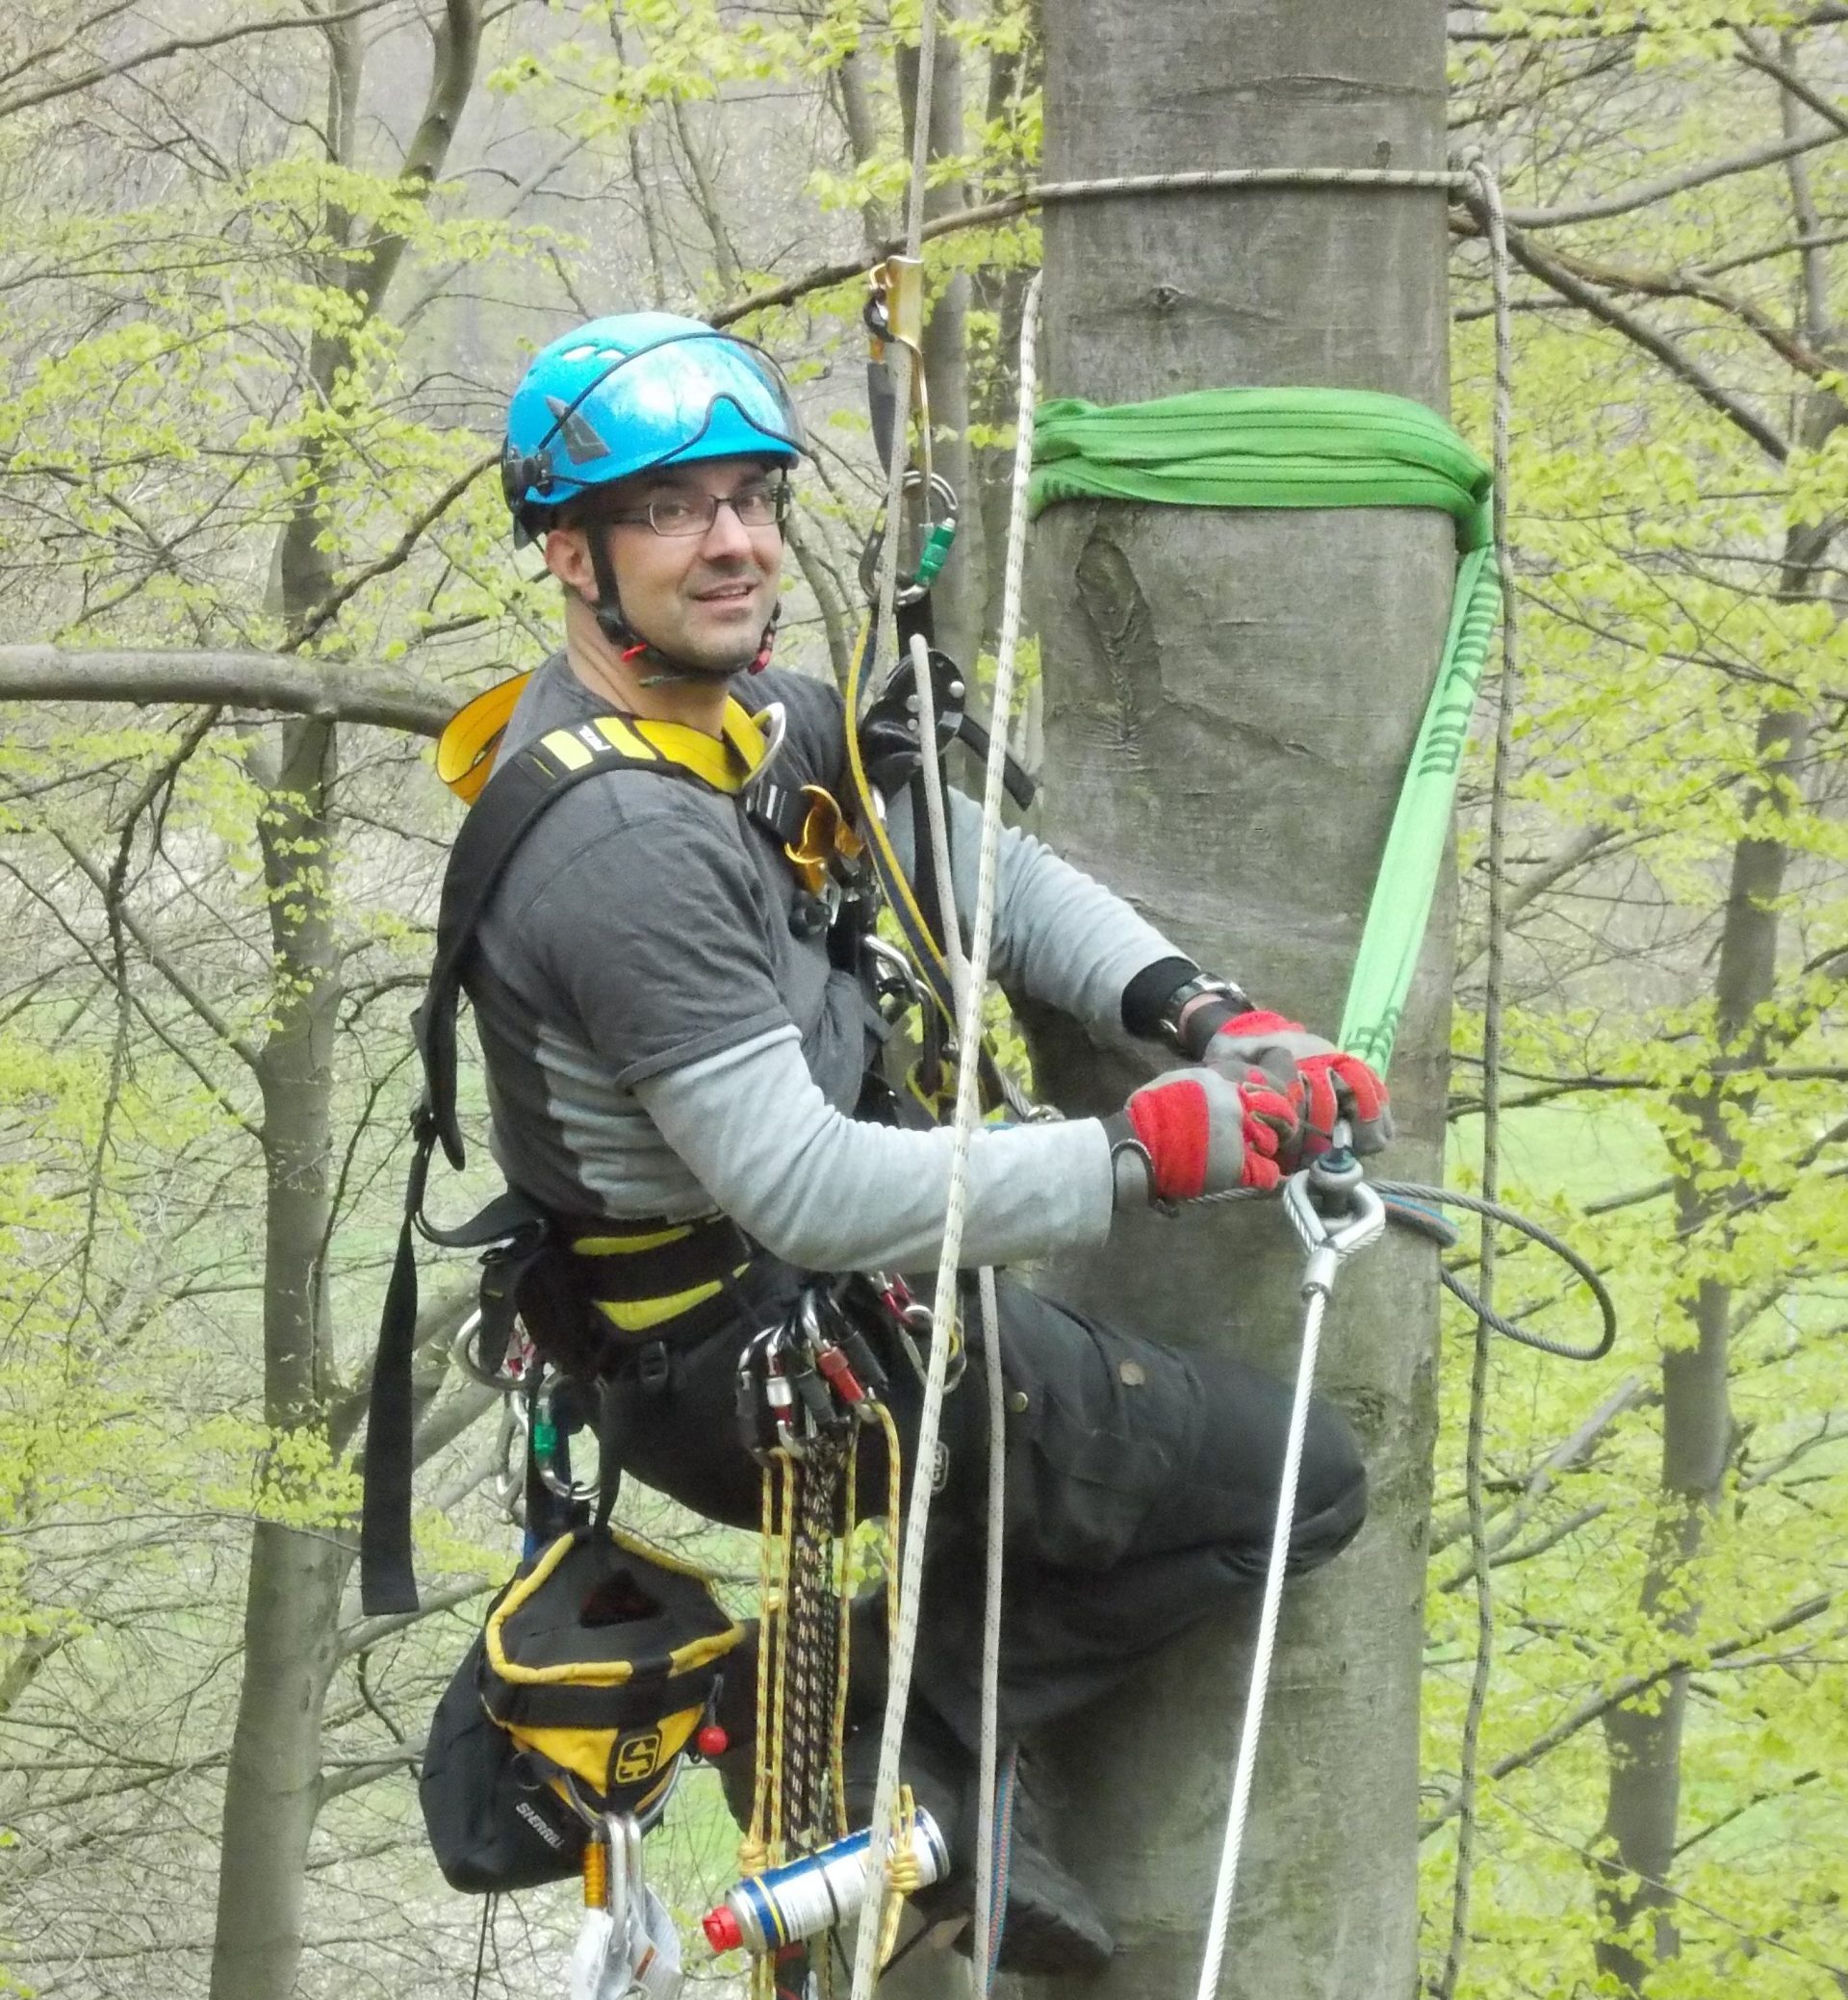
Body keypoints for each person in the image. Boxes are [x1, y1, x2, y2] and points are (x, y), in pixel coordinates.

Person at [466, 311, 1387, 1972]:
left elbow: (975, 871)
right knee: (1299, 1482)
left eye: (752, 498)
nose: (735, 542)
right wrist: (1139, 1154)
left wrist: (1202, 1013)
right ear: (571, 554)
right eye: (671, 510)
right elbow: (806, 1185)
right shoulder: (621, 844)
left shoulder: (747, 718)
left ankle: (909, 1746)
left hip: (763, 1319)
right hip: (761, 1357)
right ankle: (900, 1736)